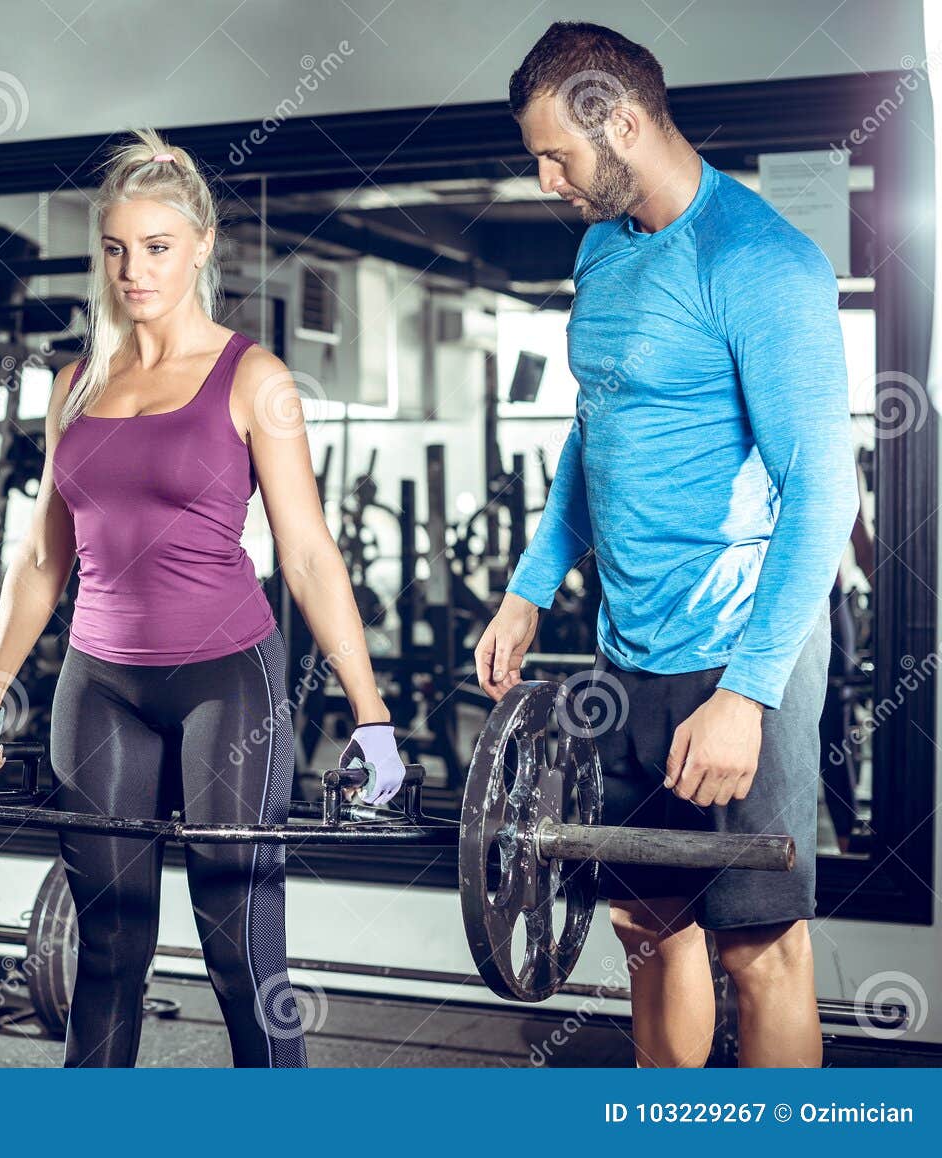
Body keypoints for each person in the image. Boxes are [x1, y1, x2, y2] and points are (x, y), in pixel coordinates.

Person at [0, 129, 408, 1068]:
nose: (134, 269)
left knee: (240, 949)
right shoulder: (72, 386)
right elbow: (43, 557)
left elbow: (310, 555)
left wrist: (372, 714)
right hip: (99, 683)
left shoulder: (255, 378)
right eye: (116, 249)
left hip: (224, 680)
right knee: (108, 948)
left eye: (156, 248)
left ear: (201, 247)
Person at [476, 23, 858, 1067]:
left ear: (627, 124)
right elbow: (592, 428)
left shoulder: (761, 261)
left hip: (739, 651)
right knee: (648, 928)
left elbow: (824, 490)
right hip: (628, 648)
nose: (547, 179)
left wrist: (746, 691)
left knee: (759, 950)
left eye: (556, 155)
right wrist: (528, 585)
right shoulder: (603, 247)